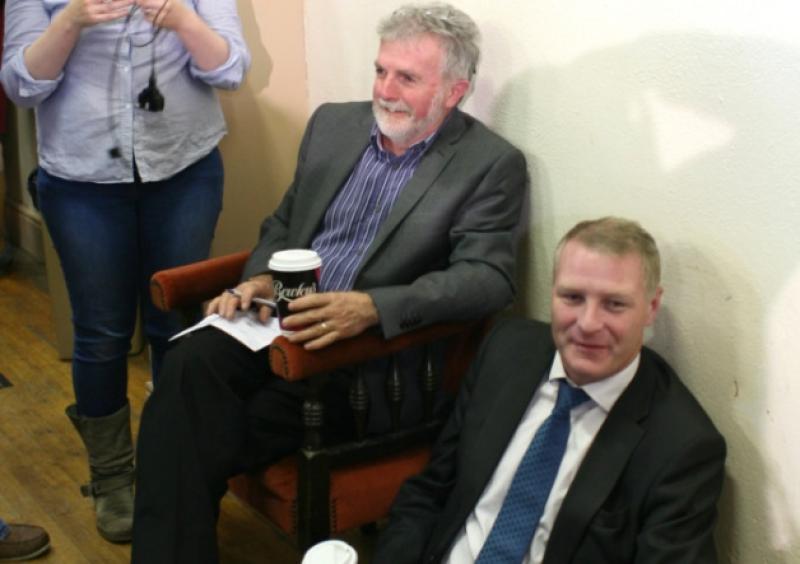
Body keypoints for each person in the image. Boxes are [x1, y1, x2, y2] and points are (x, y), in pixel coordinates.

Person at [131, 3, 528, 562]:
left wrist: (373, 307)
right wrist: (259, 279)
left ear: (455, 90)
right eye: (380, 70)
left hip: (360, 362)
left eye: (407, 78)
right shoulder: (334, 125)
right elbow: (283, 223)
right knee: (190, 365)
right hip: (274, 325)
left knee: (182, 428)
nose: (385, 90)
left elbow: (489, 280)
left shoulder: (489, 165)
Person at [0, 0, 250, 544]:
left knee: (177, 328)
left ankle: (172, 470)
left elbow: (231, 69)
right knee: (101, 333)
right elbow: (21, 86)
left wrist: (182, 17)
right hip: (80, 178)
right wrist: (71, 19)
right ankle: (112, 478)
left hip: (184, 170)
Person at [374, 217, 727, 564]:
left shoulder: (683, 446)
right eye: (572, 297)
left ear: (651, 307)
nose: (588, 324)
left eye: (614, 304)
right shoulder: (505, 350)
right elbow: (432, 489)